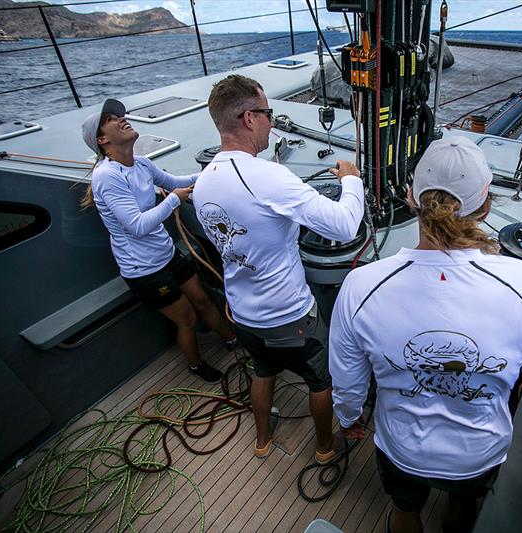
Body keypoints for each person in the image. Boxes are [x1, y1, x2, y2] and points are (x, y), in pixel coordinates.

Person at [329, 137, 522, 533]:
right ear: (485, 206)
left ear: (410, 197)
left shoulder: (361, 286)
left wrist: (350, 418)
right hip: (478, 456)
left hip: (401, 449)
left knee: (405, 510)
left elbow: (348, 384)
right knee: (462, 509)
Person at [192, 75, 365, 461]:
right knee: (321, 380)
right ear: (250, 118)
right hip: (289, 316)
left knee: (262, 371)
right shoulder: (268, 177)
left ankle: (262, 441)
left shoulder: (204, 183)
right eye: (269, 114)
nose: (272, 121)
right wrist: (351, 181)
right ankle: (323, 448)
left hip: (244, 314)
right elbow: (343, 224)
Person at [80, 98, 237, 383]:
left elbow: (174, 182)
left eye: (119, 114)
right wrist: (174, 202)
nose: (121, 118)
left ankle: (233, 341)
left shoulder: (140, 163)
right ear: (102, 139)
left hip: (166, 254)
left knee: (203, 299)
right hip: (144, 271)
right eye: (110, 119)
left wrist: (214, 172)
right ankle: (196, 365)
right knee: (187, 318)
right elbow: (137, 226)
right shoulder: (107, 177)